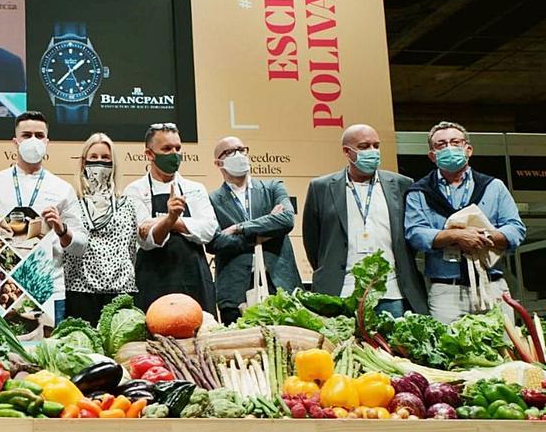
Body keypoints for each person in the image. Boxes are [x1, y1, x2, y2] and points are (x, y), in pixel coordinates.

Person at [405, 121, 525, 323]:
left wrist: (483, 236)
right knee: (448, 351)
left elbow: (516, 229)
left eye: (455, 142)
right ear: (432, 155)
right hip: (446, 292)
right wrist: (455, 236)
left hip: (492, 286)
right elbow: (415, 233)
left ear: (468, 149)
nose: (449, 148)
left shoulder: (494, 187)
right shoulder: (419, 192)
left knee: (503, 350)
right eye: (441, 145)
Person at [303, 124, 428, 318]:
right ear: (347, 151)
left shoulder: (402, 184)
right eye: (364, 147)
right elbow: (313, 240)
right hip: (341, 290)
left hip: (392, 293)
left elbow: (410, 237)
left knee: (391, 348)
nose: (373, 152)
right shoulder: (321, 187)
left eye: (376, 146)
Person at [0, 111, 87, 322]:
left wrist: (62, 230)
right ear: (15, 141)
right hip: (0, 289)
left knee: (47, 353)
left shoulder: (62, 189)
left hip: (49, 288)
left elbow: (80, 246)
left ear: (47, 142)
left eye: (39, 135)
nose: (33, 141)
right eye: (27, 135)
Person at [124, 123, 217, 313]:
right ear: (149, 154)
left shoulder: (195, 188)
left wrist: (167, 222)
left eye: (178, 148)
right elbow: (146, 240)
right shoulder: (134, 191)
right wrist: (170, 219)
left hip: (194, 279)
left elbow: (208, 231)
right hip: (152, 280)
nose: (174, 154)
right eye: (166, 149)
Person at [206, 136, 299, 324]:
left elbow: (286, 220)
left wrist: (240, 228)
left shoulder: (273, 187)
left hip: (280, 285)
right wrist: (266, 232)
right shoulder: (211, 200)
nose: (239, 155)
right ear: (218, 162)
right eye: (230, 152)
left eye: (242, 149)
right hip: (235, 292)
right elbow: (215, 243)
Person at [63, 133, 152, 325]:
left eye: (105, 158)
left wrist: (167, 220)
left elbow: (150, 238)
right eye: (93, 157)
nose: (99, 163)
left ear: (114, 164)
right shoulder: (70, 203)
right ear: (83, 163)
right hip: (79, 293)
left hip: (121, 293)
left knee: (120, 351)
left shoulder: (131, 203)